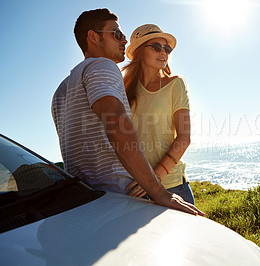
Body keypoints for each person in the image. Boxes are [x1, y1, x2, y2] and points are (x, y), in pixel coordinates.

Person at [51, 8, 203, 216]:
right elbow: (116, 127)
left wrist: (153, 182)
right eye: (117, 34)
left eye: (167, 48)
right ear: (93, 37)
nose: (122, 40)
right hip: (127, 193)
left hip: (94, 200)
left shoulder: (61, 90)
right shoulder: (105, 69)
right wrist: (157, 191)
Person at [123, 24, 195, 204]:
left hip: (172, 186)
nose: (164, 52)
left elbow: (184, 138)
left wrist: (152, 179)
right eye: (156, 47)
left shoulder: (176, 84)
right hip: (134, 187)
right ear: (140, 52)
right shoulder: (125, 90)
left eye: (167, 48)